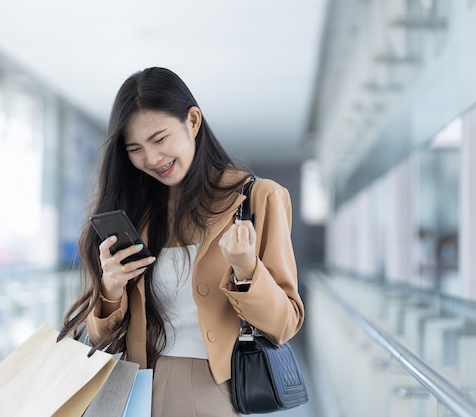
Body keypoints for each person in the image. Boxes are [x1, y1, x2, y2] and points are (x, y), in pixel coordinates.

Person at [58, 67, 304, 417]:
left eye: (159, 139)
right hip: (131, 390)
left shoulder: (257, 198)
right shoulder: (135, 212)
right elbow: (99, 340)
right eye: (135, 148)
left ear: (192, 120)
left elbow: (285, 324)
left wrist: (247, 269)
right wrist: (110, 288)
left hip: (207, 390)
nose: (152, 158)